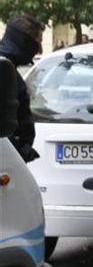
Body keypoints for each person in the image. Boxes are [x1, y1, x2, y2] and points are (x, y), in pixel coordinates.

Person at [0, 15, 44, 163]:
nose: (39, 50)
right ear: (25, 41)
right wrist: (16, 146)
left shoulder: (9, 67)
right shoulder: (4, 69)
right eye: (38, 42)